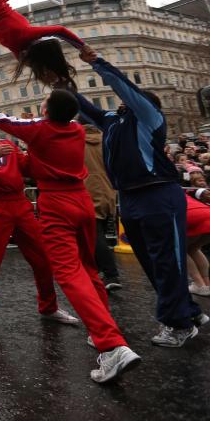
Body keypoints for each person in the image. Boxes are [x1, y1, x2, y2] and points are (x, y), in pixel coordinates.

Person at [0, 75, 140, 383]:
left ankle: (101, 338)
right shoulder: (74, 130)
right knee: (83, 268)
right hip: (60, 200)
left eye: (42, 103)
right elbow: (15, 167)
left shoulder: (36, 131)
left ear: (46, 112)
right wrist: (1, 157)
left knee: (59, 267)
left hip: (45, 202)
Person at [74, 46, 207, 346]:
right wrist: (59, 82)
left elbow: (126, 87)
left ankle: (178, 324)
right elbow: (83, 107)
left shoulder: (149, 116)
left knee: (168, 261)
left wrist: (97, 63)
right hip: (129, 199)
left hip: (158, 193)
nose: (123, 100)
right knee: (152, 262)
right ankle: (188, 311)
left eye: (128, 98)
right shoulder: (111, 121)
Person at [0, 112, 77, 327]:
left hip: (20, 203)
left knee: (42, 257)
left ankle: (49, 307)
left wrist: (32, 141)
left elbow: (29, 168)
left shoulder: (6, 143)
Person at [83, 124, 122, 291]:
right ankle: (99, 270)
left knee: (94, 234)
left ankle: (111, 273)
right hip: (108, 189)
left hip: (89, 188)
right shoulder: (106, 140)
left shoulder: (78, 141)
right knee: (101, 234)